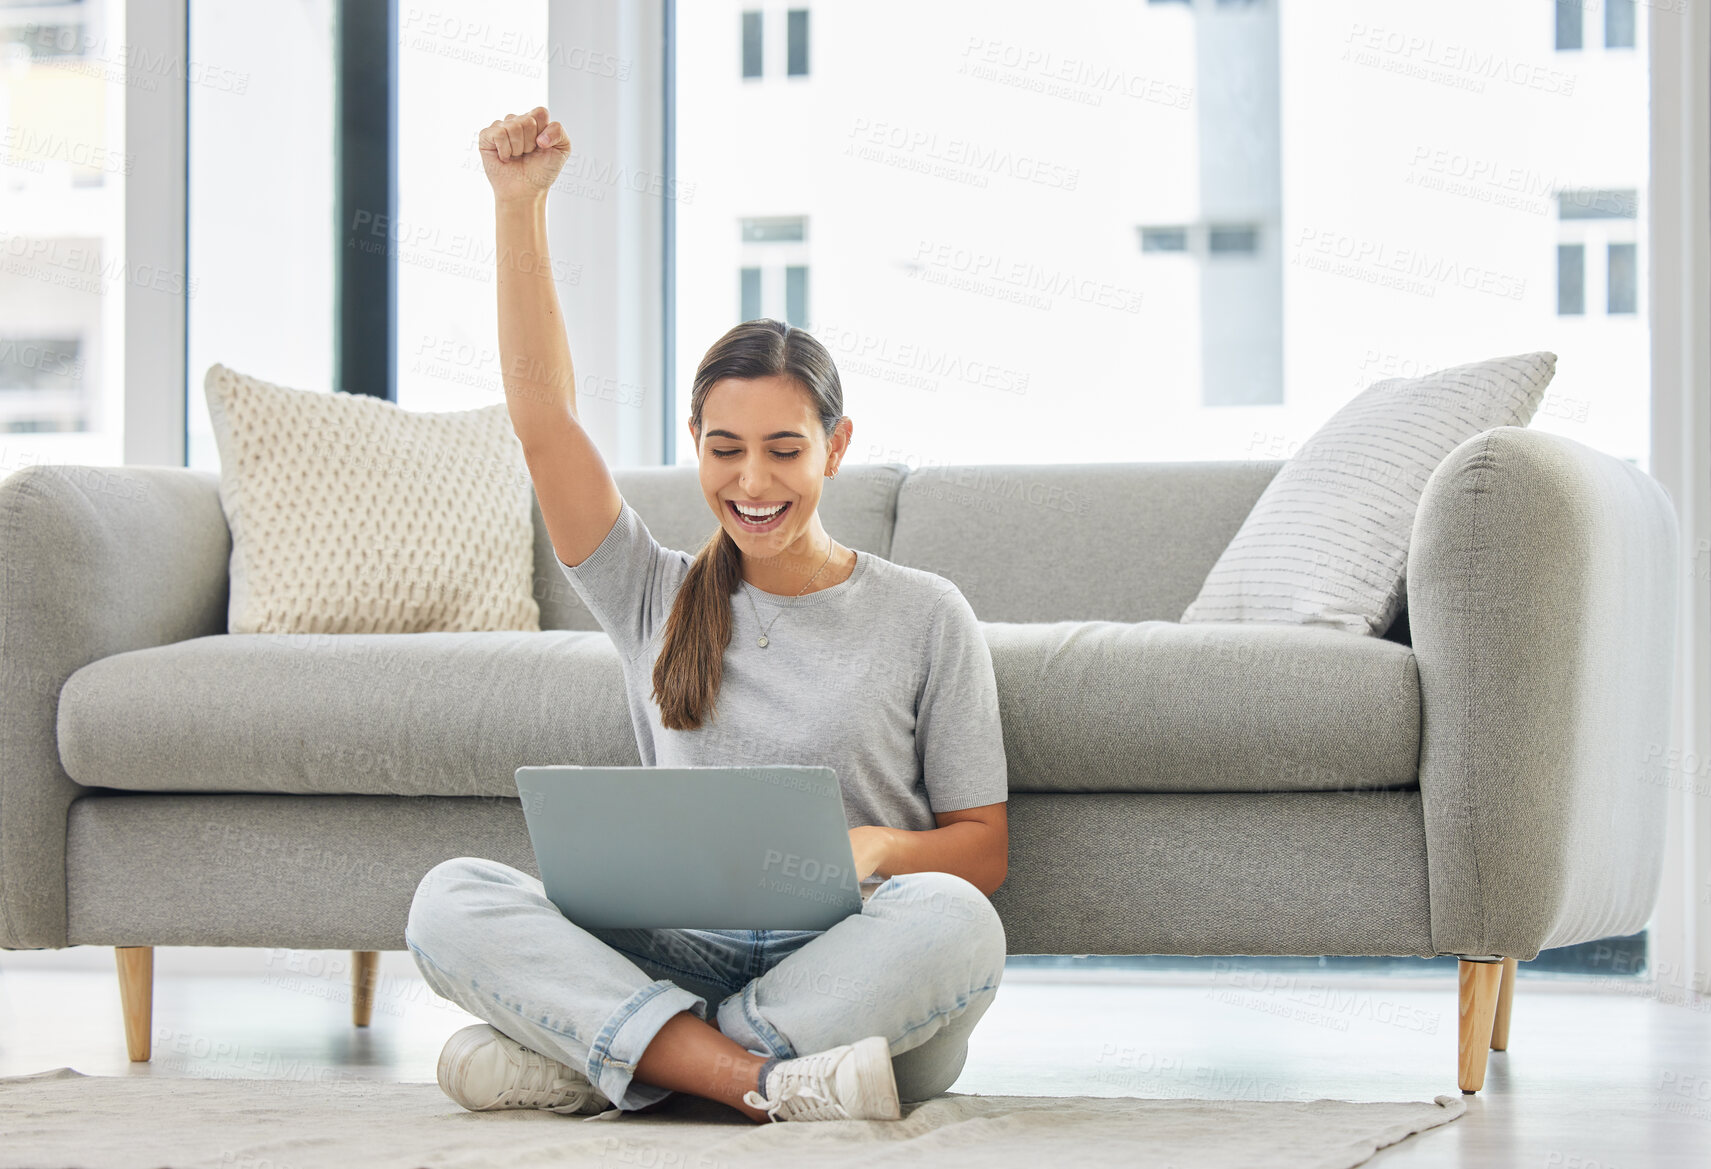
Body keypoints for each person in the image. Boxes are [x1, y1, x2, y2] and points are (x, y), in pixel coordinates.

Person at [403, 106, 1009, 1125]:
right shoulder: (653, 588)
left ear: (835, 444)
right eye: (725, 447)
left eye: (783, 447)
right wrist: (519, 208)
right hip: (680, 946)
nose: (753, 478)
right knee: (448, 897)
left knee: (957, 922)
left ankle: (630, 1054)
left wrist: (876, 848)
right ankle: (760, 1081)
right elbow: (543, 420)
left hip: (848, 960)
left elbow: (980, 849)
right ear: (694, 441)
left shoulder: (924, 614)